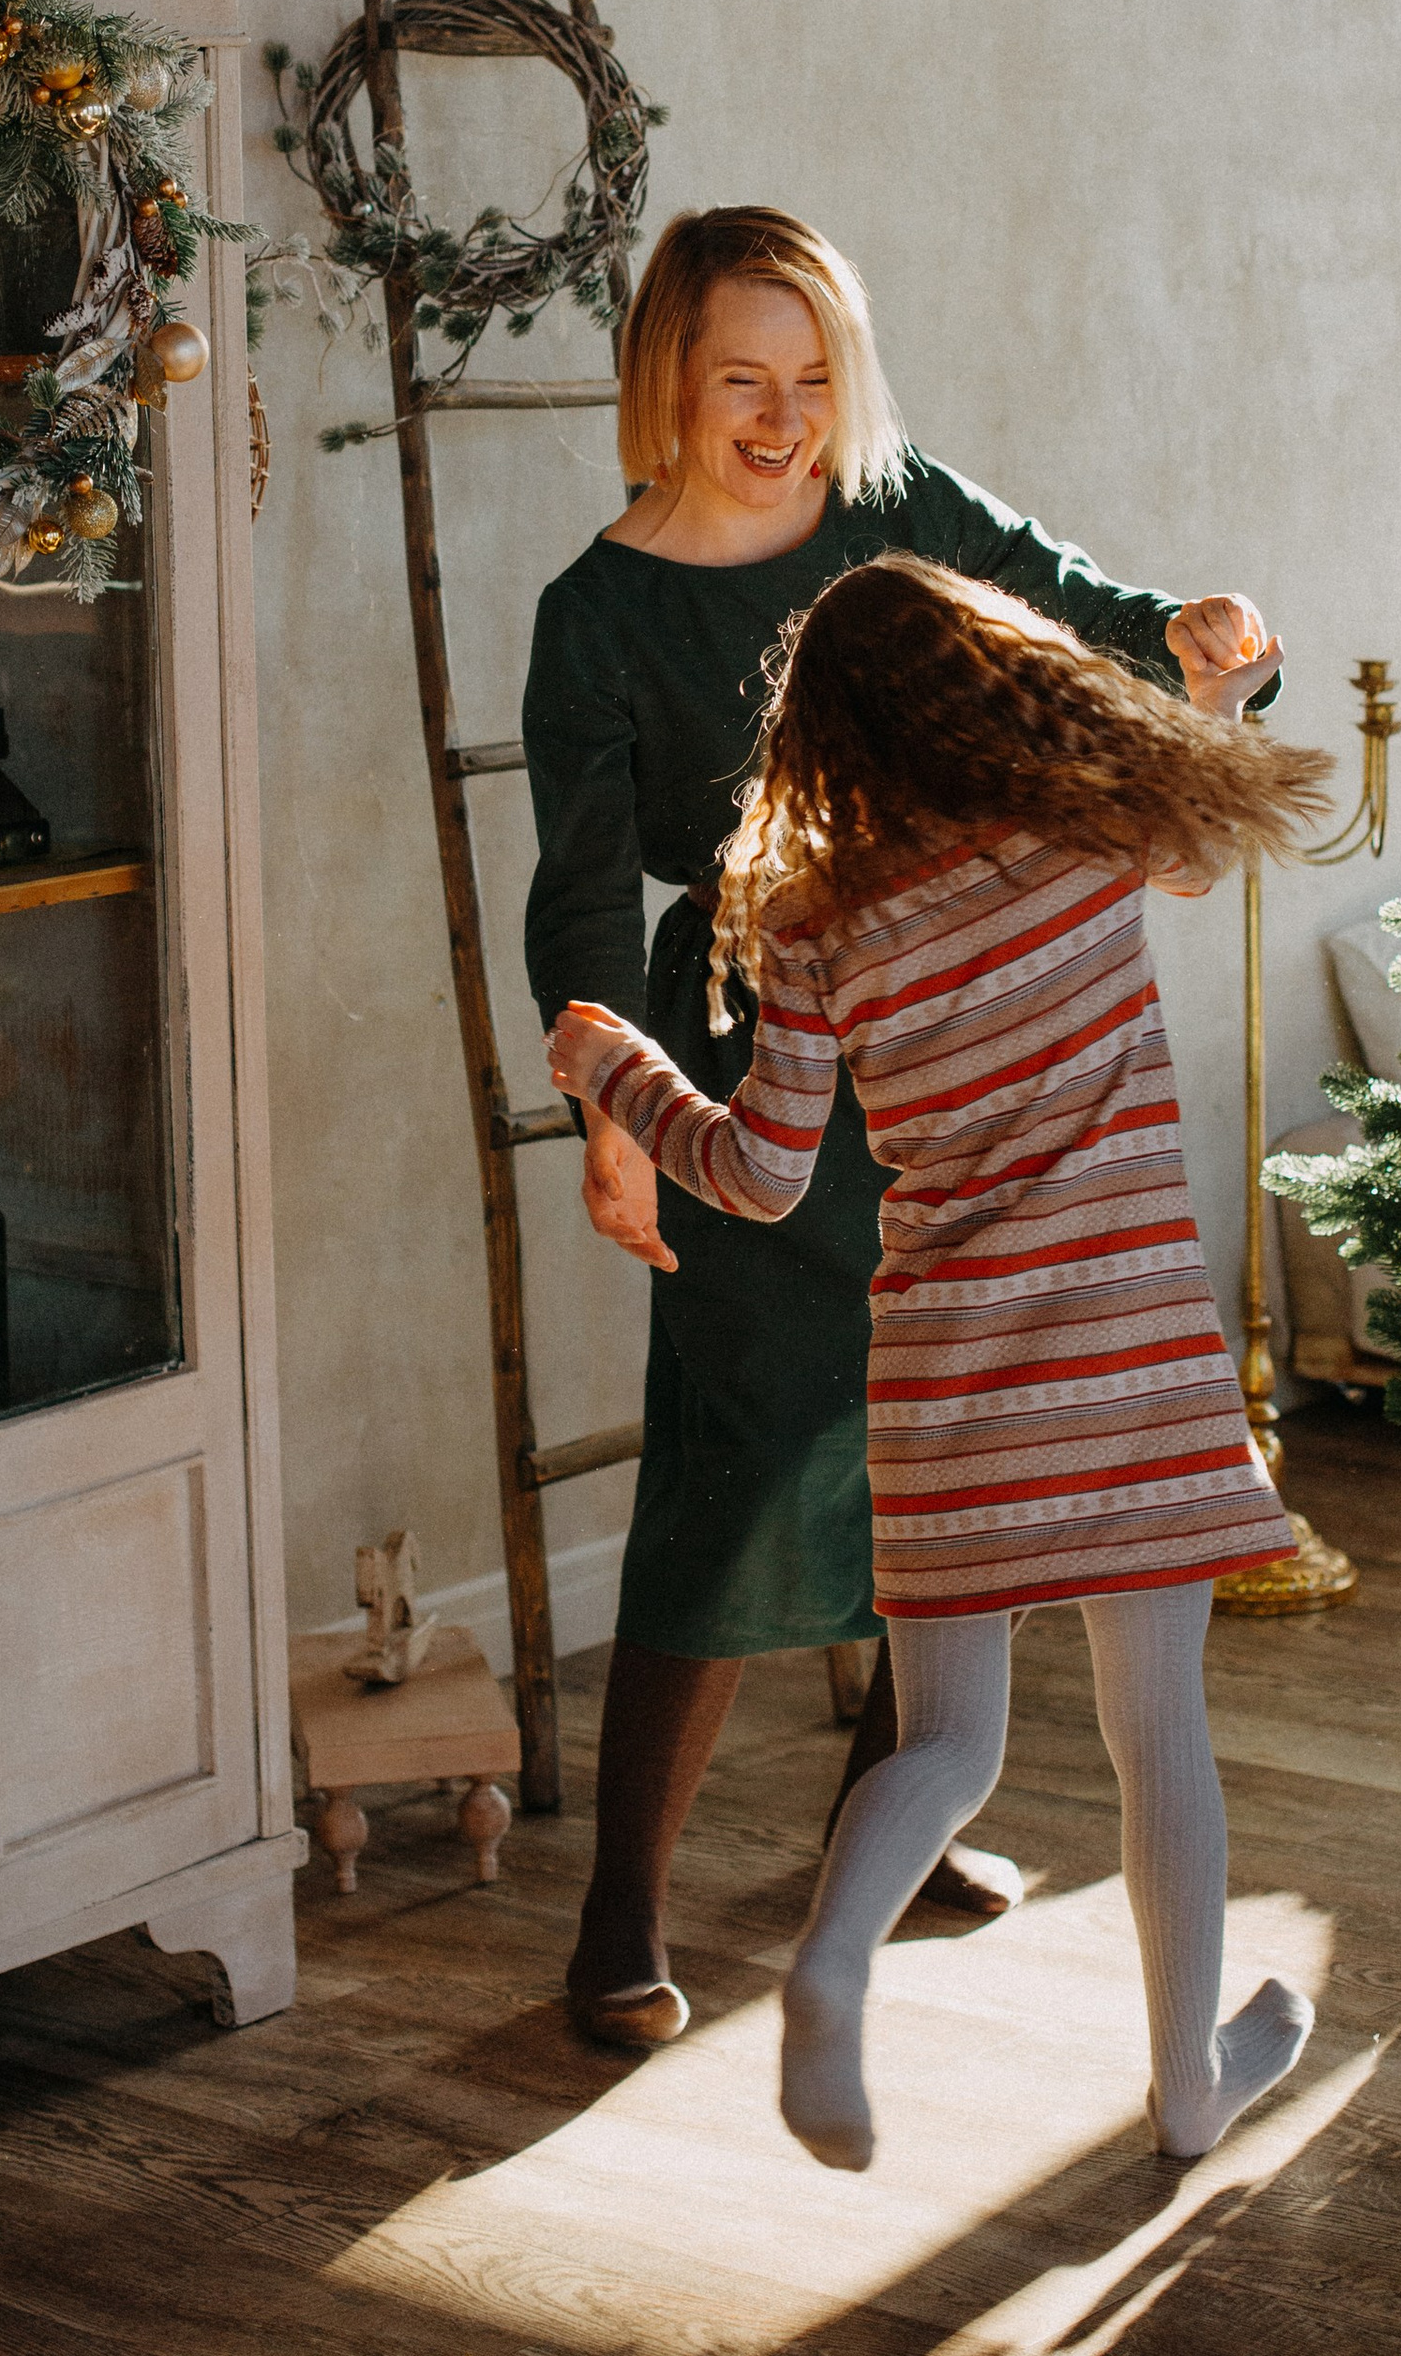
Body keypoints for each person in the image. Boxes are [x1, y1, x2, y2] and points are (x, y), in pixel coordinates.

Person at [521, 203, 1281, 2049]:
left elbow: (1095, 626)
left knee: (946, 1442)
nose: (781, 419)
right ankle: (621, 1915)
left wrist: (1199, 639)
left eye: (811, 379)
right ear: (668, 386)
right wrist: (617, 1121)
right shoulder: (599, 615)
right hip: (764, 1031)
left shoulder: (897, 507)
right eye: (741, 382)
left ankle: (910, 1803)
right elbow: (576, 910)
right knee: (735, 1462)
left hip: (967, 1057)